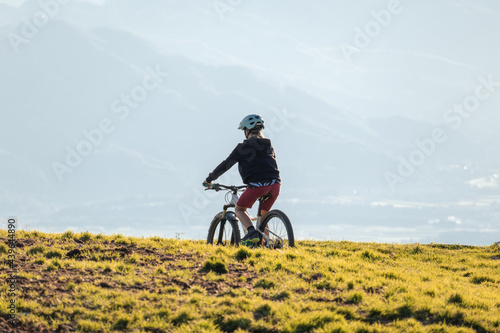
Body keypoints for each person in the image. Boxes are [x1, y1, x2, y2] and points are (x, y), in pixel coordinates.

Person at [203, 114, 281, 247]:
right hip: (275, 185)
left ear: (247, 130)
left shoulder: (242, 148)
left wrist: (210, 179)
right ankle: (267, 246)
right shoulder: (269, 145)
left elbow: (225, 165)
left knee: (239, 209)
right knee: (262, 216)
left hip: (257, 185)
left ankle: (251, 233)